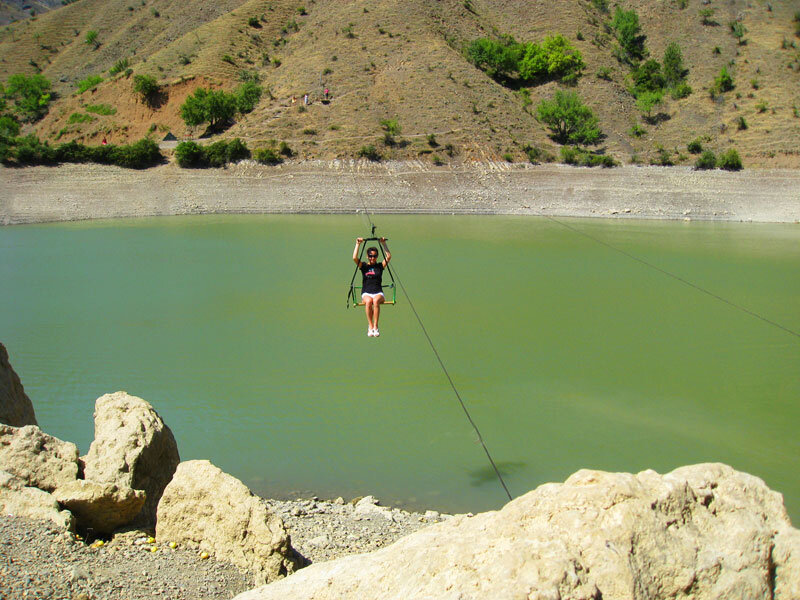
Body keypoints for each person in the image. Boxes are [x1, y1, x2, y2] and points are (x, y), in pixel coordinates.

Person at [353, 237, 391, 337]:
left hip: (378, 292)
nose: (372, 258)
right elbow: (354, 258)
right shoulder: (364, 266)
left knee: (375, 301)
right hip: (366, 292)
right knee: (369, 301)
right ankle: (370, 326)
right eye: (370, 256)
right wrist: (358, 244)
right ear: (367, 256)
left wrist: (383, 244)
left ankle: (375, 326)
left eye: (374, 256)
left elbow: (388, 257)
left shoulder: (379, 266)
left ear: (377, 256)